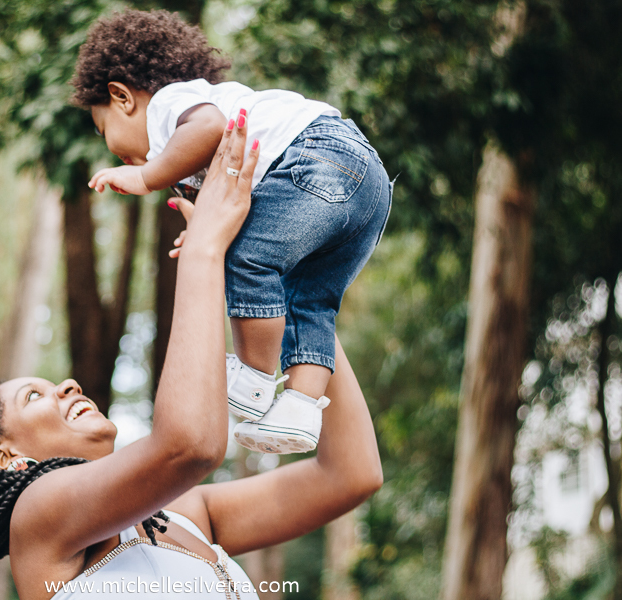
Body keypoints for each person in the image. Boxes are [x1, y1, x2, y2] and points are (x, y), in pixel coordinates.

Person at [0, 113, 382, 600]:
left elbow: (349, 474)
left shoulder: (188, 511)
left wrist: (292, 282)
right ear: (6, 458)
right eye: (34, 395)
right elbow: (190, 445)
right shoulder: (39, 520)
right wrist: (205, 250)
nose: (68, 386)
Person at [73, 9, 393, 454]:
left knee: (249, 257)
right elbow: (232, 200)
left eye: (102, 127)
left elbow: (209, 129)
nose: (109, 145)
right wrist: (206, 233)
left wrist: (146, 177)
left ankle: (255, 377)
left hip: (321, 157)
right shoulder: (191, 129)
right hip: (369, 186)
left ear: (122, 96)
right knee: (311, 300)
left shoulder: (171, 103)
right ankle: (301, 408)